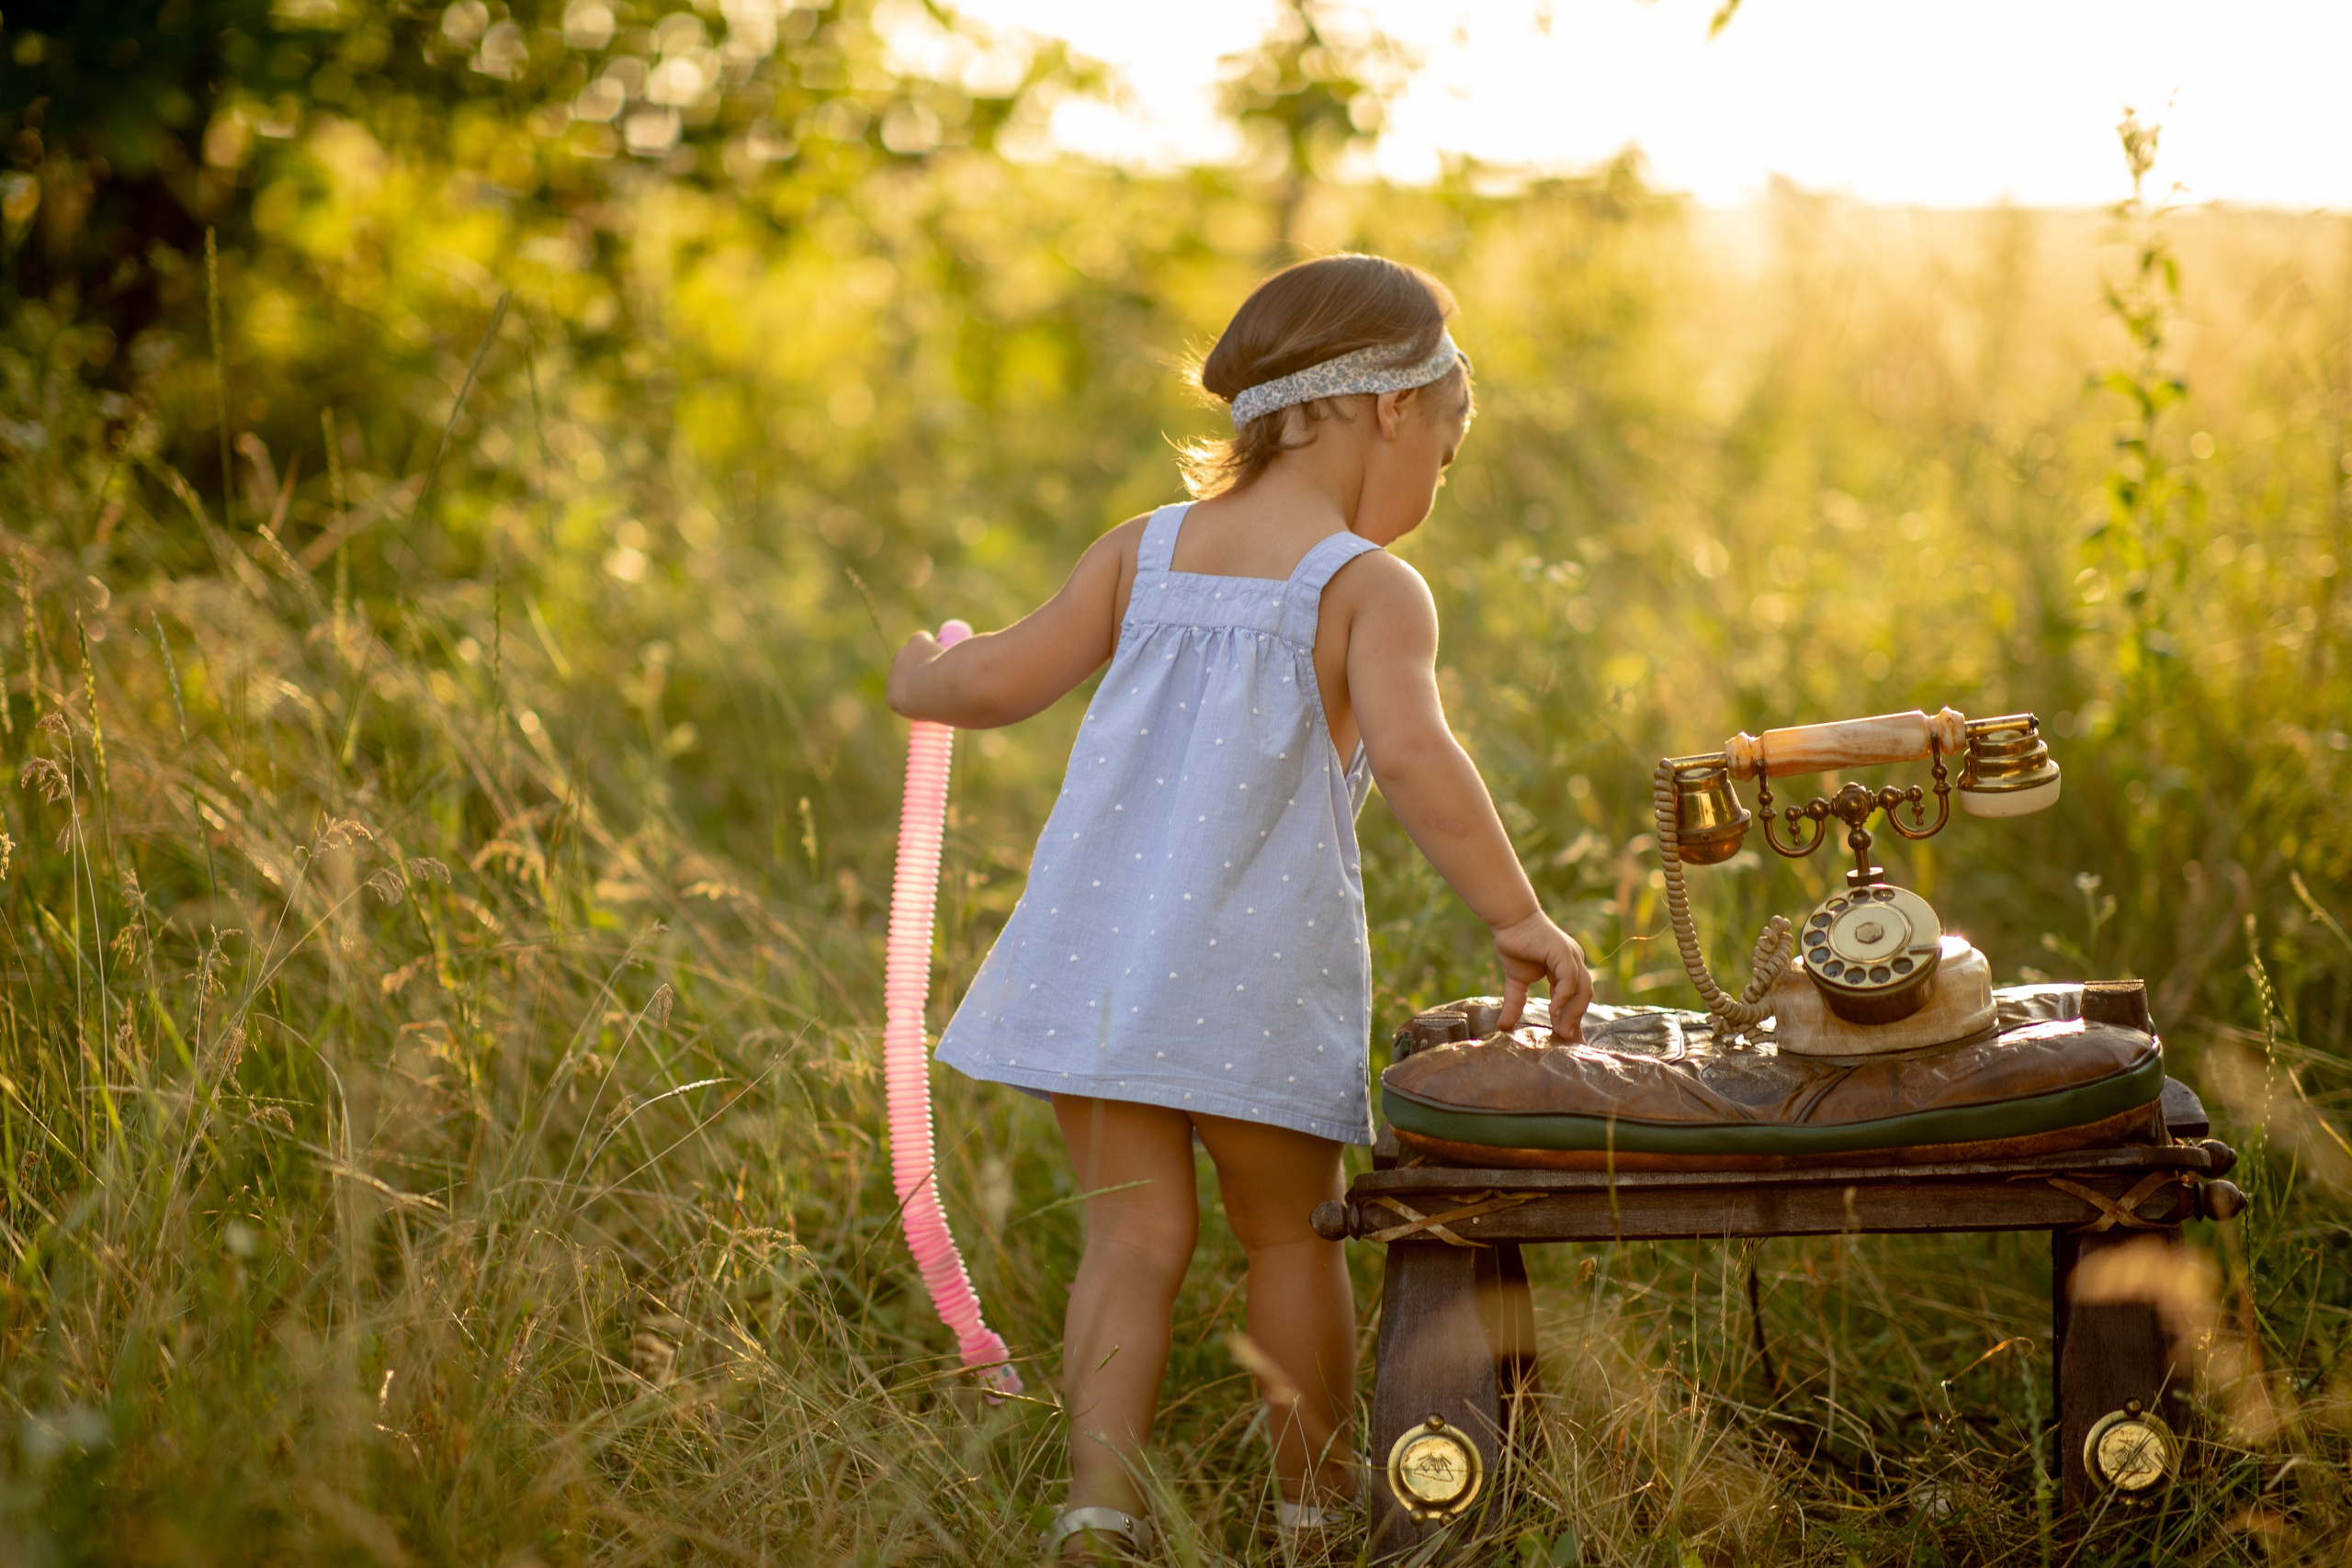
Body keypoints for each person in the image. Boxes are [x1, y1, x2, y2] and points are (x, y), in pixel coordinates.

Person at [887, 253, 1592, 1559]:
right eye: (1443, 456)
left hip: (1103, 973)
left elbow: (994, 684)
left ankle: (1097, 1510)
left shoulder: (1142, 551)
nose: (1434, 489)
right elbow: (1419, 758)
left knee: (1129, 1242)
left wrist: (922, 676)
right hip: (1255, 978)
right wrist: (1517, 915)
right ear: (1391, 409)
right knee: (1292, 1238)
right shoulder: (1366, 588)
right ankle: (1311, 1513)